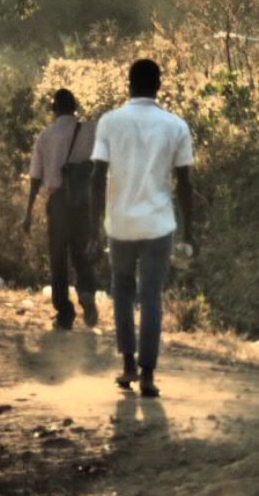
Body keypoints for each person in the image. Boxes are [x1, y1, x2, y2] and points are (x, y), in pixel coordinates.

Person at [90, 59, 196, 399]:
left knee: (121, 291)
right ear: (159, 86)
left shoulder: (110, 122)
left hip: (119, 223)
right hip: (158, 223)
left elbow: (96, 177)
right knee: (151, 295)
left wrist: (94, 226)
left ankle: (127, 365)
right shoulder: (176, 126)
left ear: (128, 84)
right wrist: (189, 231)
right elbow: (185, 184)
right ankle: (149, 374)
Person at [24, 89, 100, 330]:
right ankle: (87, 291)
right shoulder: (90, 130)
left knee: (58, 258)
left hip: (58, 203)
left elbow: (36, 177)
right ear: (74, 108)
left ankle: (65, 313)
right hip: (84, 202)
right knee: (82, 253)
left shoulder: (45, 136)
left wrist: (27, 212)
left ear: (54, 110)